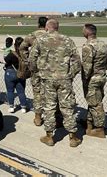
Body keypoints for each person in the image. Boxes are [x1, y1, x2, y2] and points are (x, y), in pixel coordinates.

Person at [29, 19, 82, 148]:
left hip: (47, 79)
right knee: (67, 107)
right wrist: (71, 74)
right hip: (64, 78)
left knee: (49, 106)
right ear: (57, 27)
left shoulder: (40, 40)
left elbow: (32, 59)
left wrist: (37, 71)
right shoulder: (67, 40)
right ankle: (73, 137)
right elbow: (76, 60)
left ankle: (49, 136)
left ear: (47, 28)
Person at [81, 24, 107, 138]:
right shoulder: (102, 44)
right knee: (93, 101)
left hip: (92, 79)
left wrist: (85, 79)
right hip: (101, 76)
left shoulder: (88, 46)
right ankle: (89, 122)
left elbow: (87, 68)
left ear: (87, 32)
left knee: (95, 104)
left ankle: (99, 129)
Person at [20, 16, 48, 126]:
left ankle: (38, 117)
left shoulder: (32, 35)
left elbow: (22, 48)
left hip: (36, 69)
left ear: (38, 24)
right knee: (52, 92)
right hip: (50, 69)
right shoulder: (50, 35)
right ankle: (53, 115)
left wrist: (28, 60)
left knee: (37, 93)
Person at [4, 37, 28, 113]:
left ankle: (11, 106)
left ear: (15, 45)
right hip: (21, 73)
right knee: (21, 92)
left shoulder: (12, 54)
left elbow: (6, 60)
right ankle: (23, 107)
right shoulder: (26, 54)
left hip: (11, 72)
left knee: (10, 91)